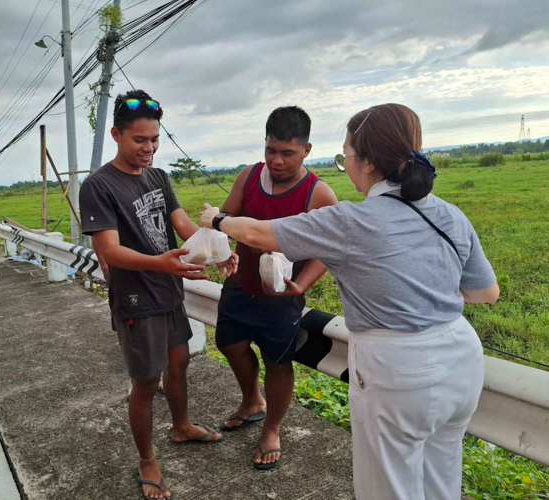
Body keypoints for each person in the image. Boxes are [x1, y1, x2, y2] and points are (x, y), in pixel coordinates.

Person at [200, 103, 499, 500]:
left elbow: (257, 234)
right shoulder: (449, 214)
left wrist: (215, 220)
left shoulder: (350, 221)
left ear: (368, 163)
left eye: (346, 157)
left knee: (388, 489)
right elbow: (485, 293)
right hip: (461, 362)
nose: (346, 166)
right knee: (441, 481)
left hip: (399, 371)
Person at [79, 89, 237, 500]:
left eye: (154, 140)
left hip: (168, 289)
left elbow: (181, 222)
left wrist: (217, 249)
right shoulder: (99, 186)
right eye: (139, 140)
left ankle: (182, 426)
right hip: (136, 299)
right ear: (116, 134)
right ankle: (147, 459)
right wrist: (161, 263)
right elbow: (109, 250)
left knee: (180, 363)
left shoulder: (158, 177)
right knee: (146, 383)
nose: (148, 148)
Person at [214, 106, 337, 470]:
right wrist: (223, 248)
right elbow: (225, 220)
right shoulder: (249, 177)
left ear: (307, 150)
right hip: (240, 286)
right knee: (230, 345)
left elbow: (328, 249)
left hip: (282, 296)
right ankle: (252, 400)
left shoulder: (318, 193)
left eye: (287, 153)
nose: (276, 161)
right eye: (271, 151)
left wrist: (300, 285)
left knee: (278, 364)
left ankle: (272, 427)